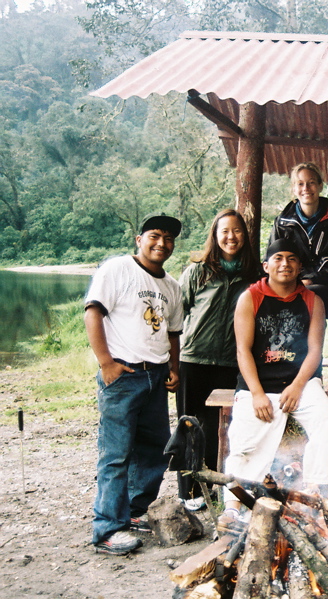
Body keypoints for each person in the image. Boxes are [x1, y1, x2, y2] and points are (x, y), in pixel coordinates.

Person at [84, 214, 184, 556]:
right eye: (155, 236)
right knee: (116, 453)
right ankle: (107, 529)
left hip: (156, 375)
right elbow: (92, 313)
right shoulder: (117, 270)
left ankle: (134, 511)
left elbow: (172, 332)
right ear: (138, 239)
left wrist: (173, 367)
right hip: (124, 376)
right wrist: (106, 364)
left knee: (155, 449)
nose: (162, 243)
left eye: (169, 239)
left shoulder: (171, 286)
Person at [220, 239, 328, 527]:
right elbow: (243, 350)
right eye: (278, 258)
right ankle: (233, 506)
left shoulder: (312, 300)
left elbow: (314, 352)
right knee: (245, 442)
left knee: (325, 421)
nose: (285, 264)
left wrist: (298, 386)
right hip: (257, 384)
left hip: (300, 381)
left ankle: (314, 494)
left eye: (292, 259)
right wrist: (257, 394)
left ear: (299, 267)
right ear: (266, 265)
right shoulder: (251, 297)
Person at [175, 209, 259, 510]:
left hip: (230, 362)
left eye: (237, 231)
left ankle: (219, 487)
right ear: (215, 235)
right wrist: (171, 362)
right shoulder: (197, 271)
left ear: (244, 236)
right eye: (224, 231)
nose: (231, 237)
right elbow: (177, 315)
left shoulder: (253, 276)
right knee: (190, 428)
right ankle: (189, 492)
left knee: (223, 428)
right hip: (194, 359)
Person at [269, 162, 328, 318]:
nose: (306, 188)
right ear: (294, 188)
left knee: (312, 296)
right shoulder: (282, 223)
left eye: (311, 182)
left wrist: (311, 280)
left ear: (320, 185)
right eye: (300, 184)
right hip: (289, 286)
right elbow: (275, 262)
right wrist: (299, 281)